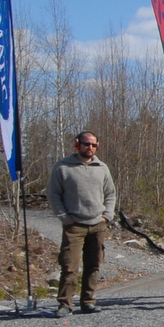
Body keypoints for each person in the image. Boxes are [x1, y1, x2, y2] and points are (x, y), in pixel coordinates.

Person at [47, 130, 118, 316]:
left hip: (98, 224)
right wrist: (64, 217)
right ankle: (65, 304)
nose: (90, 148)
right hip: (74, 225)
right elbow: (53, 195)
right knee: (69, 266)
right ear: (77, 143)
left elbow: (110, 193)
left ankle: (88, 301)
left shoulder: (101, 167)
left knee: (93, 264)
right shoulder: (63, 167)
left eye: (94, 145)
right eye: (87, 144)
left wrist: (107, 216)